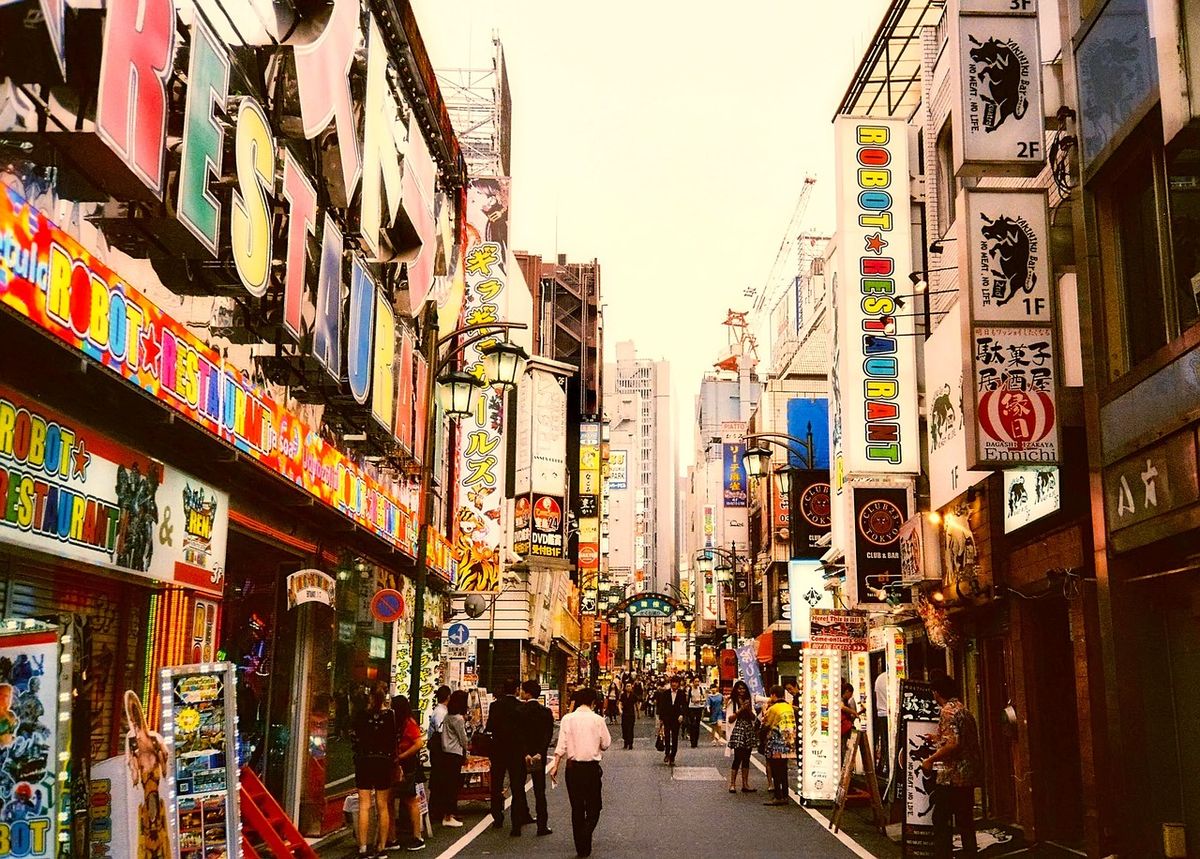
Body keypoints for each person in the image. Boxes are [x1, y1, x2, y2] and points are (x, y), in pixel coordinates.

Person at [921, 675, 981, 859]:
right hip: (968, 774)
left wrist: (930, 760)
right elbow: (958, 739)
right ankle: (970, 854)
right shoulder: (963, 709)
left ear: (936, 692)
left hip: (951, 776)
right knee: (965, 820)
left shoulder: (947, 712)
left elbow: (953, 744)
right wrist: (936, 739)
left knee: (940, 818)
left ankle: (943, 854)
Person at [549, 689, 611, 858]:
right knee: (594, 807)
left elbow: (561, 745)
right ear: (593, 702)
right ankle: (585, 836)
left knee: (577, 808)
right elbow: (606, 744)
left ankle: (581, 848)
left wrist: (555, 766)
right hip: (591, 769)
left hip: (573, 769)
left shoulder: (567, 719)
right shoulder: (598, 720)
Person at [350, 688, 396, 858]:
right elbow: (393, 740)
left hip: (364, 761)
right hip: (383, 762)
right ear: (384, 699)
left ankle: (363, 847)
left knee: (364, 805)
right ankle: (381, 847)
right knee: (382, 806)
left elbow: (354, 738)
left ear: (370, 698)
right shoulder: (390, 716)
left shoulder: (362, 715)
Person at [485, 678, 530, 834]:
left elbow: (489, 727)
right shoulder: (521, 707)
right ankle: (516, 824)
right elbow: (525, 731)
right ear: (517, 689)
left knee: (496, 784)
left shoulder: (495, 706)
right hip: (516, 751)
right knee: (517, 786)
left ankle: (497, 818)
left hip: (498, 749)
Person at [519, 680, 555, 836]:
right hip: (539, 755)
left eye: (523, 690)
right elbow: (548, 734)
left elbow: (519, 735)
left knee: (519, 787)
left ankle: (518, 822)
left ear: (527, 693)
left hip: (523, 755)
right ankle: (542, 825)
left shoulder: (519, 711)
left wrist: (525, 752)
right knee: (540, 791)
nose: (521, 692)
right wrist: (540, 752)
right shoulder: (546, 712)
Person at [390, 695, 425, 851]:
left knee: (409, 800)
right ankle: (394, 837)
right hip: (401, 764)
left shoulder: (408, 723)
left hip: (405, 765)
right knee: (395, 801)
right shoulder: (400, 723)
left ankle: (416, 837)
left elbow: (419, 743)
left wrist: (401, 756)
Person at [761, 685, 796, 807]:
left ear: (773, 695)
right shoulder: (789, 707)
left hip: (776, 741)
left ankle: (778, 796)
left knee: (775, 770)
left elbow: (766, 724)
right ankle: (785, 795)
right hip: (789, 741)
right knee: (783, 769)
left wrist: (765, 710)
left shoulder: (773, 708)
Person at [439, 691, 469, 829]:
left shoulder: (448, 716)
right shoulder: (458, 719)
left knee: (448, 784)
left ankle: (449, 813)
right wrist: (466, 749)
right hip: (455, 753)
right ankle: (448, 816)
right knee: (453, 785)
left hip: (446, 753)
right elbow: (463, 738)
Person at [726, 680, 757, 793]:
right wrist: (741, 709)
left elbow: (754, 718)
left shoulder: (749, 701)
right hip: (738, 729)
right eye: (739, 688)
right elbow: (730, 719)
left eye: (743, 688)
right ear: (736, 690)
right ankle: (732, 784)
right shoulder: (732, 702)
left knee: (746, 758)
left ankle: (745, 784)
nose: (741, 691)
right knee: (738, 757)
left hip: (748, 729)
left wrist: (748, 709)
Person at [426, 686, 451, 826]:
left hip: (437, 749)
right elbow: (441, 731)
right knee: (439, 779)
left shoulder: (439, 710)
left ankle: (436, 809)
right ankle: (436, 810)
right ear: (448, 697)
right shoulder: (441, 712)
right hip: (439, 750)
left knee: (438, 779)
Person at [656, 675, 688, 766]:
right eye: (672, 682)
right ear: (670, 683)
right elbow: (662, 706)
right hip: (667, 718)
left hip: (676, 718)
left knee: (675, 737)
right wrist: (661, 719)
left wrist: (682, 715)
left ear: (678, 684)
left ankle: (673, 755)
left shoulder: (681, 693)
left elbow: (684, 705)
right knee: (667, 736)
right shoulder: (665, 693)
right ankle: (667, 753)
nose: (674, 684)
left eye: (676, 683)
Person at [840, 681, 861, 754]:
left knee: (848, 747)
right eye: (850, 694)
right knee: (844, 747)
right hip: (844, 728)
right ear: (847, 691)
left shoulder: (846, 701)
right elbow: (842, 707)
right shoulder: (840, 699)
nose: (851, 696)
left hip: (846, 727)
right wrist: (854, 712)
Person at [686, 678, 706, 748]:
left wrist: (700, 700)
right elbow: (687, 699)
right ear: (693, 682)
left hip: (699, 707)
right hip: (691, 708)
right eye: (695, 681)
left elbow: (704, 698)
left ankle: (696, 742)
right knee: (692, 724)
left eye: (698, 681)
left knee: (697, 725)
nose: (697, 683)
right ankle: (692, 741)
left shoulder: (701, 689)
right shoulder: (690, 690)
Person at [619, 682, 637, 749]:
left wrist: (638, 713)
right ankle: (625, 742)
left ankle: (630, 743)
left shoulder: (634, 695)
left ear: (631, 687)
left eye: (629, 686)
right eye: (627, 686)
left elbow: (636, 704)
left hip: (631, 714)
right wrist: (620, 709)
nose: (628, 687)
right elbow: (620, 703)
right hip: (624, 714)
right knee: (624, 728)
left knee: (630, 728)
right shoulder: (623, 695)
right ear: (625, 687)